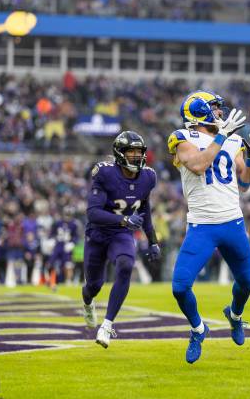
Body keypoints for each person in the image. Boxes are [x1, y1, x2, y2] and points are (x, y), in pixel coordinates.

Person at [167, 90, 250, 364]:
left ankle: (235, 315)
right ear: (198, 111)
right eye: (215, 108)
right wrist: (221, 137)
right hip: (202, 227)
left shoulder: (233, 139)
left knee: (247, 284)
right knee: (180, 287)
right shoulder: (183, 137)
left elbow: (244, 184)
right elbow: (197, 165)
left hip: (233, 222)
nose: (220, 113)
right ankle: (198, 329)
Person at [81, 131, 160, 349]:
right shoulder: (105, 173)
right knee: (93, 285)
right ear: (119, 153)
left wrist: (152, 240)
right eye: (131, 151)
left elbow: (145, 210)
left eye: (139, 151)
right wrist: (124, 220)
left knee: (126, 265)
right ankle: (87, 302)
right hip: (97, 233)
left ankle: (107, 325)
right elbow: (93, 212)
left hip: (120, 234)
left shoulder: (148, 177)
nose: (136, 156)